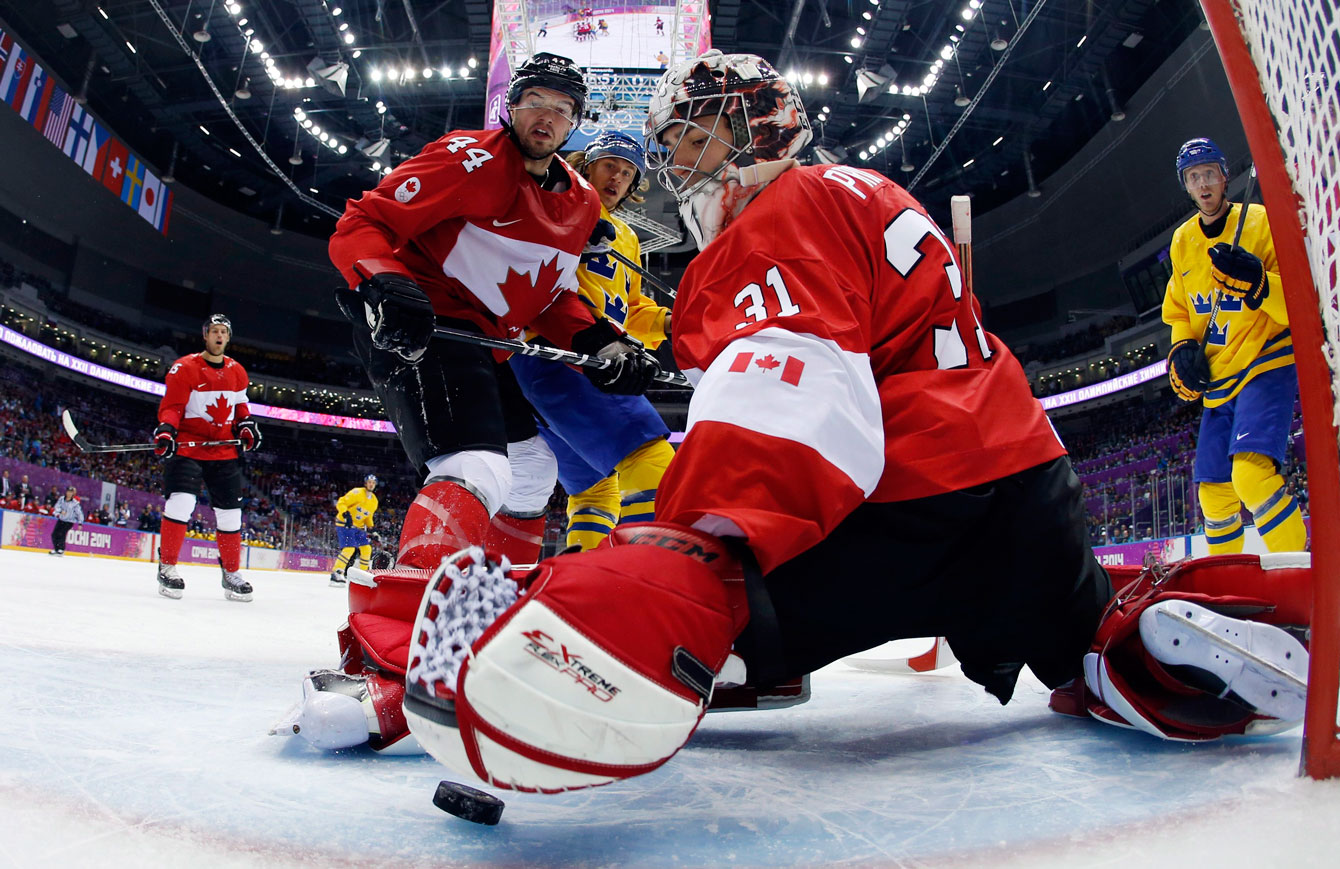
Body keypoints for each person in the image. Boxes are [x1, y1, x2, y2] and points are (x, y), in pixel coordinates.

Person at [397, 50, 1315, 793]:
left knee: (701, 615)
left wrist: (695, 543)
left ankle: (580, 659)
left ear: (753, 127)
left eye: (689, 139)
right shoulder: (867, 190)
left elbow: (796, 386)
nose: (676, 165)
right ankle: (1165, 638)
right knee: (1083, 656)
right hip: (1030, 478)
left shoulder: (777, 214)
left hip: (909, 503)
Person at [280, 52, 660, 753]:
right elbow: (360, 224)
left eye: (562, 108)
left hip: (488, 344)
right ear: (511, 107)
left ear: (575, 123)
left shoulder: (576, 202)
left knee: (530, 474)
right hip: (421, 327)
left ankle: (480, 629)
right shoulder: (469, 160)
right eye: (535, 101)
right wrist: (386, 281)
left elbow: (550, 297)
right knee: (476, 466)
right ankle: (390, 653)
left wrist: (602, 341)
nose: (546, 117)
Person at [510, 130, 674, 551]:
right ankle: (647, 578)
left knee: (595, 491)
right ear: (586, 165)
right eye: (609, 167)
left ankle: (585, 580)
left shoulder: (628, 238)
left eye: (627, 173)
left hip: (564, 365)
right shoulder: (555, 205)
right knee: (653, 460)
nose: (617, 178)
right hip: (566, 356)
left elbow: (632, 309)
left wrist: (672, 322)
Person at [1163, 138, 1304, 554]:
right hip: (1218, 379)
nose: (1203, 183)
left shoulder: (1259, 221)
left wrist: (1258, 284)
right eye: (1193, 177)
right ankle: (1229, 591)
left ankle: (1298, 573)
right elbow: (1178, 313)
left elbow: (1296, 301)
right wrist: (1182, 352)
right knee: (1214, 495)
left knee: (1251, 476)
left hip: (1264, 361)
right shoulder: (1182, 241)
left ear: (1225, 177)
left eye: (1209, 173)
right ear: (1186, 187)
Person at [152, 314, 262, 601]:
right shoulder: (184, 368)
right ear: (205, 335)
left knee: (230, 514)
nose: (218, 336)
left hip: (223, 449)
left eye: (223, 332)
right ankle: (168, 567)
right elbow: (172, 406)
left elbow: (240, 407)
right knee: (182, 502)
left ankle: (231, 574)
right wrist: (166, 431)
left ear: (228, 337)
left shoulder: (237, 371)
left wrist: (247, 425)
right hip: (188, 447)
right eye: (214, 331)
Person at [329, 474, 379, 586]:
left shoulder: (374, 501)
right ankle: (337, 572)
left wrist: (372, 529)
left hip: (358, 527)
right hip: (345, 524)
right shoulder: (357, 492)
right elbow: (341, 502)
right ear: (365, 483)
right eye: (369, 482)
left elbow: (368, 517)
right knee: (349, 549)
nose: (371, 484)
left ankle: (363, 574)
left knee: (366, 549)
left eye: (373, 483)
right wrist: (345, 514)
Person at [48, 485, 83, 556]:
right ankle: (56, 549)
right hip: (61, 519)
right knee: (54, 534)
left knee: (62, 533)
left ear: (73, 494)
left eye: (71, 492)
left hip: (69, 521)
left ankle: (61, 549)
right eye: (68, 492)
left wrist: (80, 523)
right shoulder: (61, 499)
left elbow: (79, 513)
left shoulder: (75, 503)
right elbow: (56, 507)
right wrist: (60, 511)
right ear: (66, 492)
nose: (69, 493)